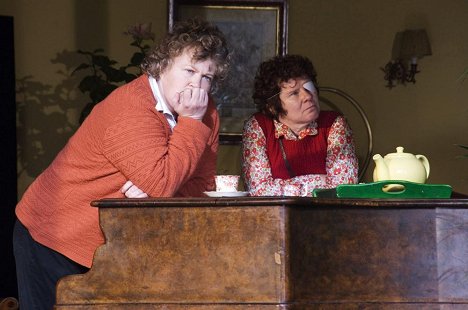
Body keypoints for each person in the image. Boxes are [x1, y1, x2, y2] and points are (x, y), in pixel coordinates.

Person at [13, 18, 230, 309]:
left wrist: (157, 195)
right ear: (162, 65)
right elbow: (163, 184)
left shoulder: (207, 112)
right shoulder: (130, 107)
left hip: (115, 244)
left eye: (207, 77)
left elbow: (200, 186)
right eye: (189, 70)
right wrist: (189, 125)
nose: (197, 85)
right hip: (53, 234)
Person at [241, 54, 358, 196]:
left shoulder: (334, 124)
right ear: (272, 106)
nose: (307, 96)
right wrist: (319, 182)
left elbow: (343, 188)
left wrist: (283, 186)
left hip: (325, 216)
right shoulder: (258, 127)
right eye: (294, 93)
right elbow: (258, 190)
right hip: (277, 217)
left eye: (308, 86)